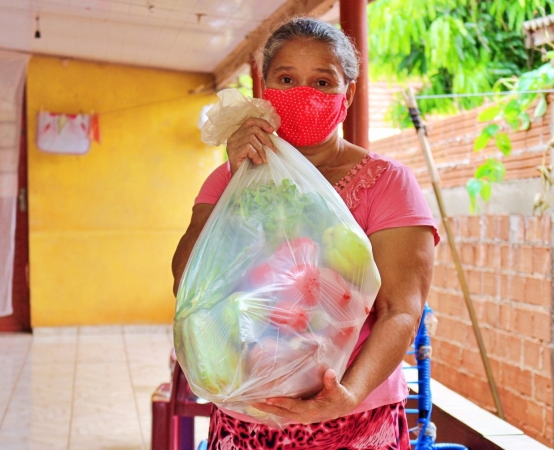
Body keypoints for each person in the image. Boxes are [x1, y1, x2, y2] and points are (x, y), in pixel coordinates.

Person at [172, 17, 439, 450]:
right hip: (247, 420)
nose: (304, 93)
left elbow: (400, 311)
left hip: (356, 419)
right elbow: (187, 284)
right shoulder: (228, 180)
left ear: (347, 93)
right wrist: (236, 185)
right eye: (287, 78)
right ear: (265, 89)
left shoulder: (389, 183)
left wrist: (346, 396)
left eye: (322, 81)